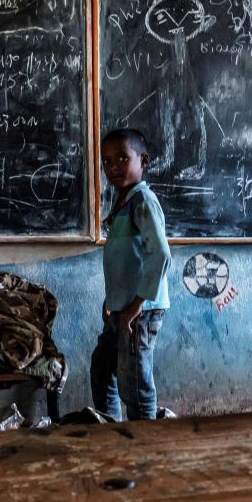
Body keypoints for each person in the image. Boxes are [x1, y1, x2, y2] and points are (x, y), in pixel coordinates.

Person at [91, 129, 171, 420]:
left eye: (123, 158)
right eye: (107, 161)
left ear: (144, 160)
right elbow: (126, 260)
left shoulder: (143, 202)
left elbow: (161, 255)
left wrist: (135, 307)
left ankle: (143, 449)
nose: (113, 167)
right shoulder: (124, 203)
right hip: (122, 308)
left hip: (140, 311)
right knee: (102, 367)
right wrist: (112, 301)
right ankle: (114, 434)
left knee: (135, 386)